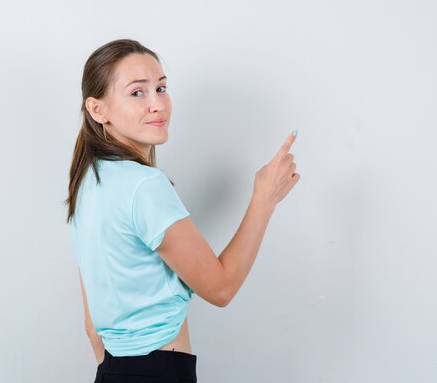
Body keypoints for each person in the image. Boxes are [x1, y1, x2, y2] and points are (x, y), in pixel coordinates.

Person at [64, 39, 300, 383]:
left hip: (112, 371)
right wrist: (264, 198)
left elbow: (92, 328)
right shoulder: (144, 186)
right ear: (98, 109)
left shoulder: (86, 183)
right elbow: (220, 289)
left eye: (161, 88)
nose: (157, 104)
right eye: (137, 93)